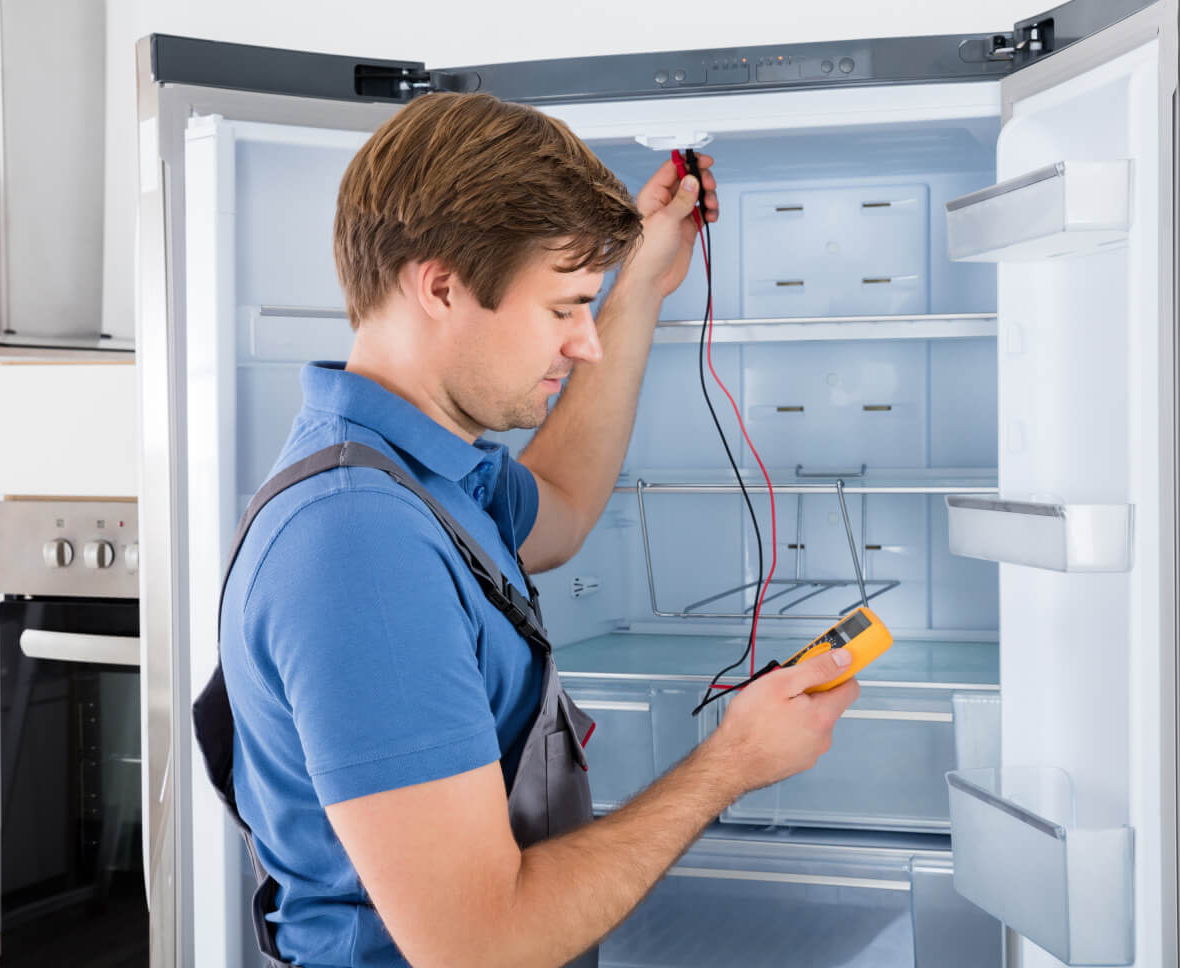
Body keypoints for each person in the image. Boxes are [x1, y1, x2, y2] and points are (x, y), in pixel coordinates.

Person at [200, 91, 861, 968]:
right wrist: (731, 762)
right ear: (440, 286)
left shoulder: (419, 467)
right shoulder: (360, 545)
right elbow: (479, 944)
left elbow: (563, 502)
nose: (584, 343)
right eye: (560, 309)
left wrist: (638, 285)